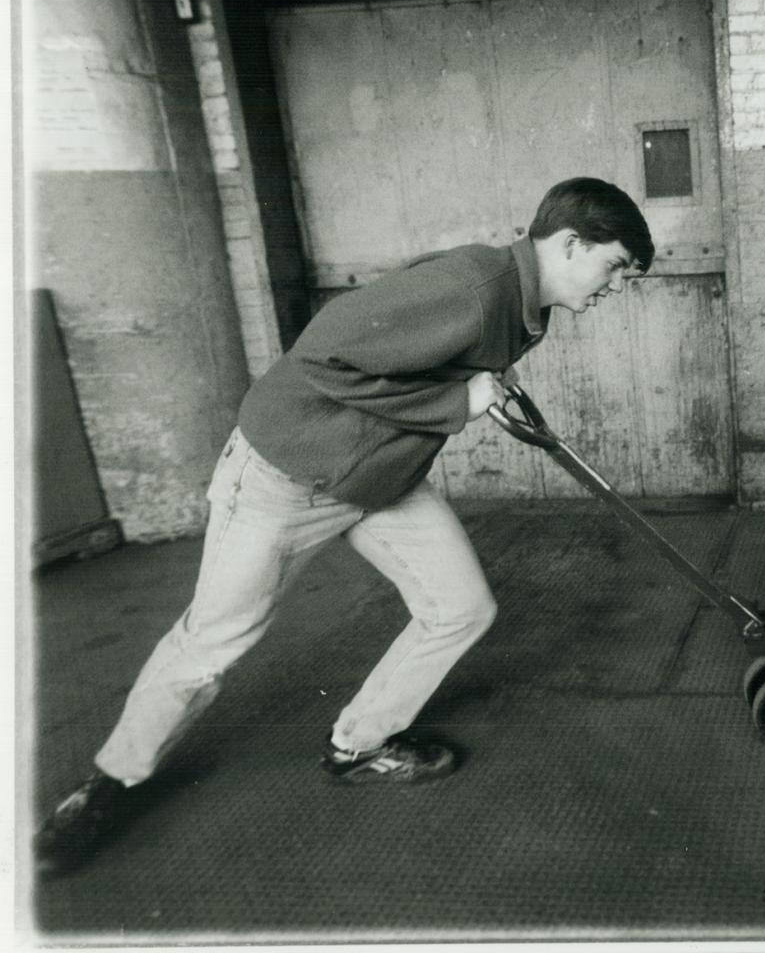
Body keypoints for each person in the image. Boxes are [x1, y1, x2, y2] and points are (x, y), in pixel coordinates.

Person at [34, 177, 654, 878]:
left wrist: (479, 391)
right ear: (571, 244)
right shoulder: (476, 287)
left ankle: (359, 743)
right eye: (615, 267)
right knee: (212, 640)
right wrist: (459, 399)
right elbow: (322, 357)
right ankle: (105, 785)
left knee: (461, 609)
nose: (616, 286)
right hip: (286, 476)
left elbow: (419, 368)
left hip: (376, 477)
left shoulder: (521, 302)